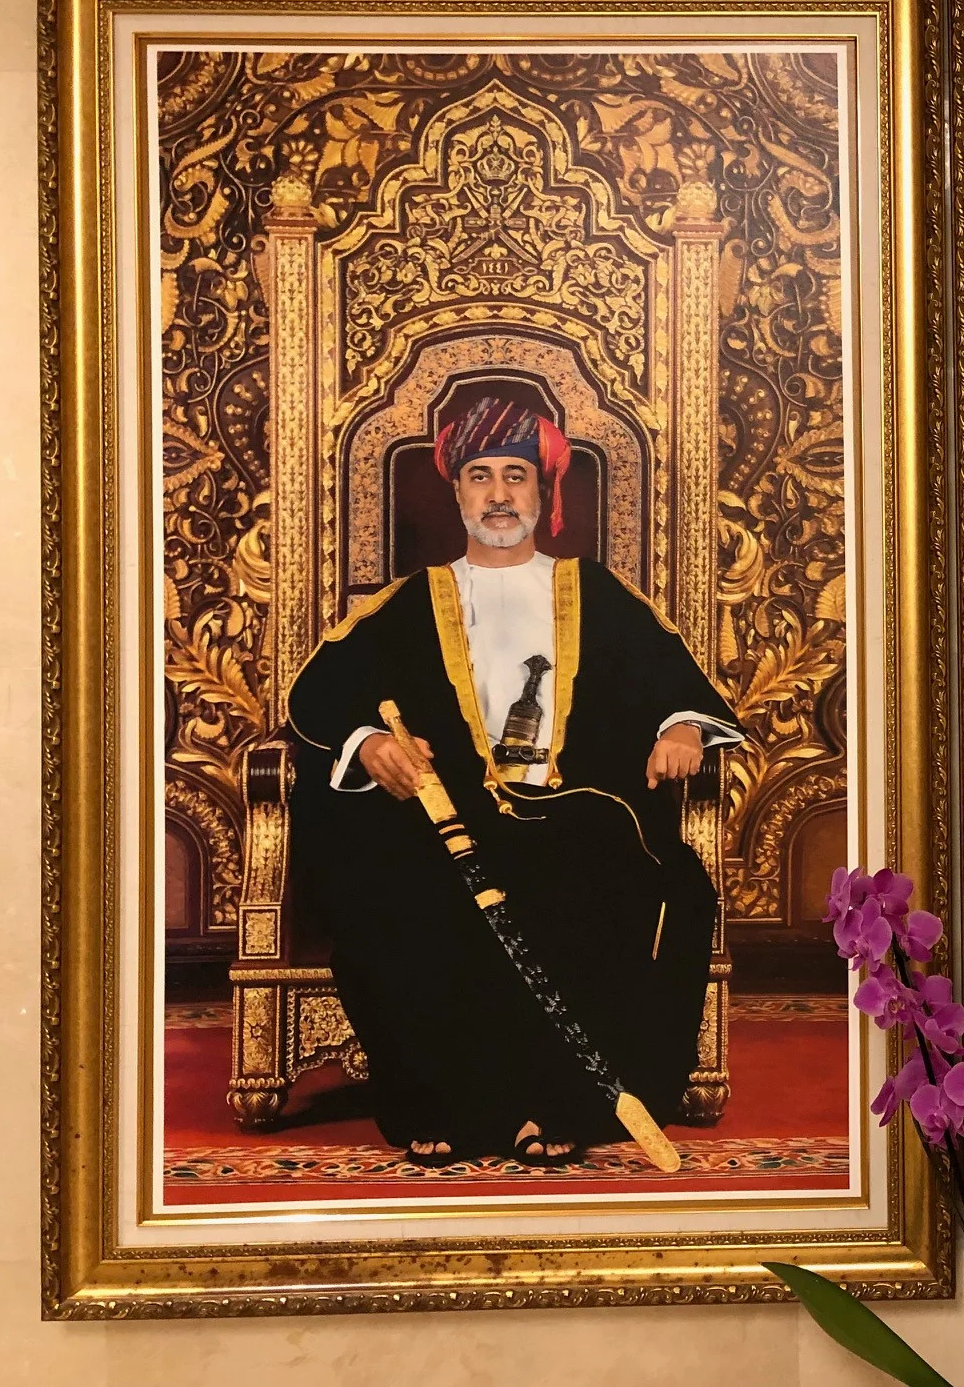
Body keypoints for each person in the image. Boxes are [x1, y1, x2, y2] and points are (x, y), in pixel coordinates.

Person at [285, 395, 742, 1164]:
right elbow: (319, 697)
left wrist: (682, 729)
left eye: (515, 476)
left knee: (596, 885)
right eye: (481, 476)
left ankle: (555, 1104)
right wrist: (368, 744)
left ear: (542, 490)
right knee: (395, 892)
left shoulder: (596, 593)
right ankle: (444, 1103)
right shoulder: (408, 603)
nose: (498, 494)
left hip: (574, 820)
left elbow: (675, 684)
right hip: (447, 826)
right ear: (457, 492)